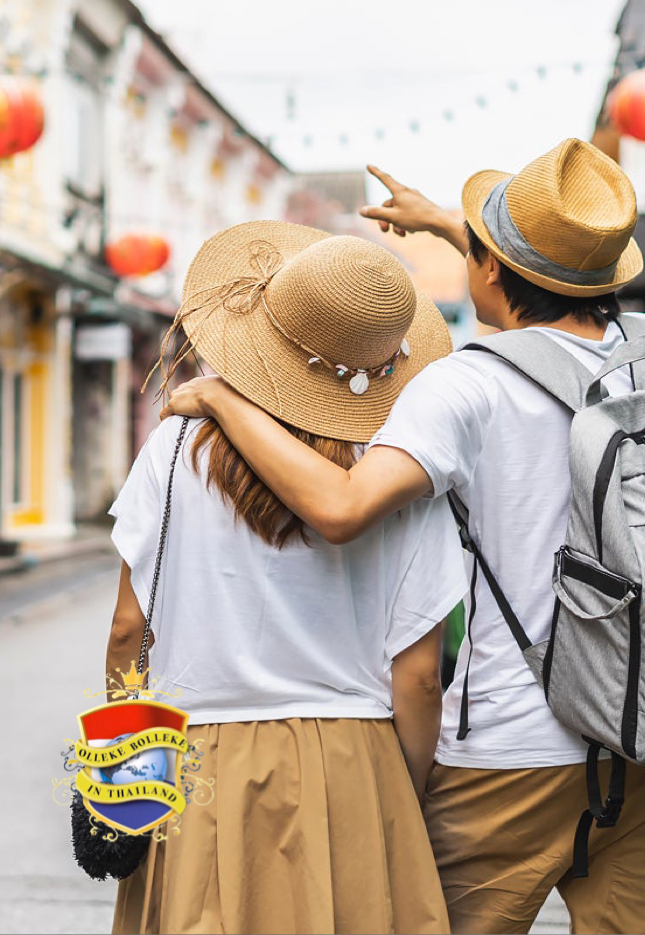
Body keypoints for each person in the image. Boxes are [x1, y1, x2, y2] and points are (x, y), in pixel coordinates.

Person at [166, 140, 645, 935]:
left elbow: (344, 507)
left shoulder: (465, 383)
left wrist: (223, 399)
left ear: (489, 269)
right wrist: (460, 233)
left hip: (517, 744)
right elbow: (558, 305)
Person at [108, 224, 461, 935]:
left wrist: (118, 759)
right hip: (353, 760)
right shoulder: (398, 474)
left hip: (195, 755)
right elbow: (418, 676)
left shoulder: (175, 447)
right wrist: (404, 785)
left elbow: (126, 630)